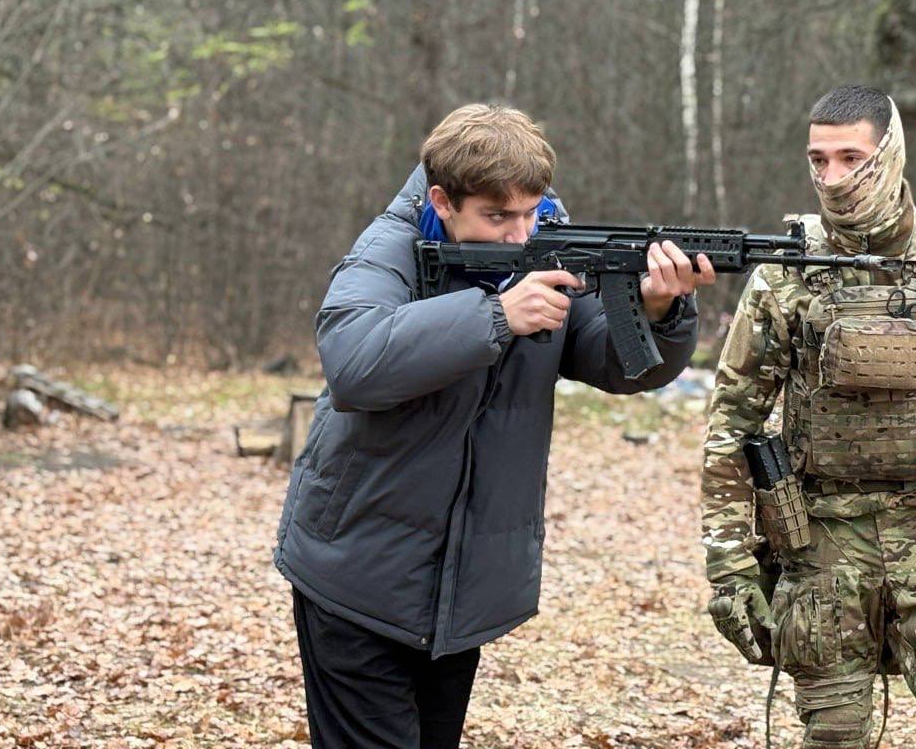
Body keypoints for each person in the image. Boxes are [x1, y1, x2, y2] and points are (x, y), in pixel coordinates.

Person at [274, 103, 716, 749]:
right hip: (357, 572)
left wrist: (656, 309)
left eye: (531, 213)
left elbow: (612, 361)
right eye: (497, 217)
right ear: (442, 201)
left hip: (460, 589)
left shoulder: (547, 245)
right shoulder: (388, 249)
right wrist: (496, 316)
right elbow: (353, 363)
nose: (518, 235)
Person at [701, 85, 916, 748]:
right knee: (833, 735)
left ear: (889, 154)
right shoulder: (786, 276)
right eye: (818, 159)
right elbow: (731, 427)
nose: (833, 177)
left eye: (850, 157)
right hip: (820, 541)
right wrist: (731, 570)